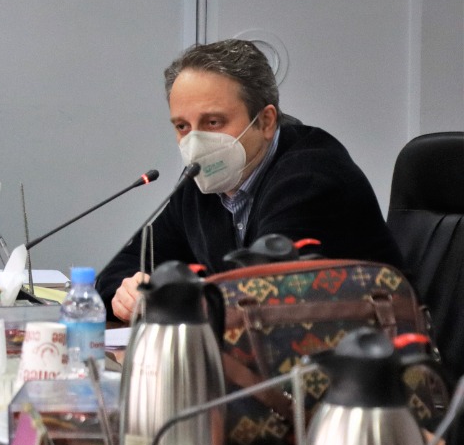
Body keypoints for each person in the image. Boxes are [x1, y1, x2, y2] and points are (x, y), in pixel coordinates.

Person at [96, 39, 403, 322]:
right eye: (182, 126)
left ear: (266, 121)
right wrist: (127, 293)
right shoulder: (201, 181)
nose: (195, 142)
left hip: (370, 354)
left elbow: (261, 296)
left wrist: (165, 299)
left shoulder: (311, 176)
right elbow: (124, 265)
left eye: (213, 122)